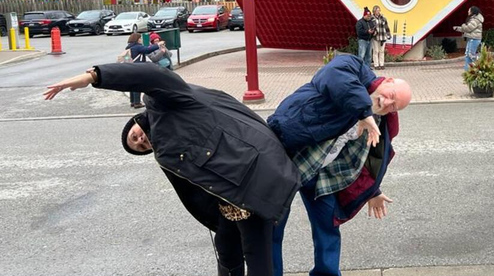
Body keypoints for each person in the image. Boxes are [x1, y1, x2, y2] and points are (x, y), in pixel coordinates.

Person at [44, 63, 301, 276]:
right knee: (225, 245)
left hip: (253, 177)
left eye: (134, 137)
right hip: (233, 190)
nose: (140, 142)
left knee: (256, 253)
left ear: (136, 122)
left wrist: (92, 76)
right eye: (140, 148)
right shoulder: (167, 152)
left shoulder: (165, 102)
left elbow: (153, 75)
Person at [268, 53, 412, 276]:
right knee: (272, 229)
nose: (387, 103)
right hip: (286, 158)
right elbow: (333, 76)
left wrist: (374, 191)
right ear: (387, 80)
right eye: (391, 95)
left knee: (328, 228)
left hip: (321, 176)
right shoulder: (353, 67)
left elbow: (367, 161)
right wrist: (363, 111)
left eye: (394, 107)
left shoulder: (380, 122)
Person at [125, 32, 160, 108]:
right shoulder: (137, 47)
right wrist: (158, 45)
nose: (141, 39)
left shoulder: (129, 47)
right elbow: (147, 50)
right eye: (140, 38)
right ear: (137, 39)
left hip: (130, 67)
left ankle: (133, 101)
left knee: (132, 85)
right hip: (137, 68)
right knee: (137, 85)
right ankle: (137, 102)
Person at [454, 6, 484, 71]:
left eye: (469, 10)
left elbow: (468, 28)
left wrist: (463, 25)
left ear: (472, 12)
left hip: (474, 39)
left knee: (471, 55)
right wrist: (458, 28)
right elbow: (468, 28)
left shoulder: (475, 20)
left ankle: (481, 65)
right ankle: (467, 70)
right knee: (468, 55)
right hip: (472, 39)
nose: (468, 12)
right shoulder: (474, 19)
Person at [371, 5, 392, 70]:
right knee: (376, 51)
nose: (378, 12)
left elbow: (386, 27)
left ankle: (382, 64)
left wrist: (388, 35)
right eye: (376, 10)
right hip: (376, 37)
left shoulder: (383, 18)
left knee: (382, 51)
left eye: (379, 10)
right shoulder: (372, 18)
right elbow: (371, 27)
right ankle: (376, 64)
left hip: (383, 37)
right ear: (374, 11)